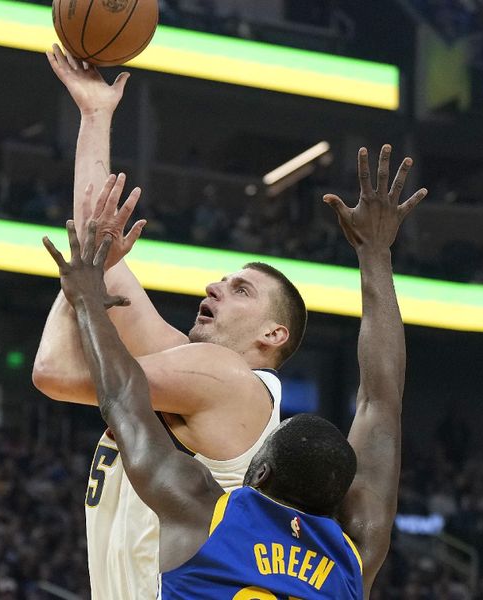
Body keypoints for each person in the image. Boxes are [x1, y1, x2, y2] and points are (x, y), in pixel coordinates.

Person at [42, 145, 427, 598]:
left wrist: (83, 299)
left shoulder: (208, 519)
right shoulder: (348, 560)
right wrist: (377, 253)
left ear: (256, 475)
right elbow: (381, 402)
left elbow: (115, 395)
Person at [33, 45, 306, 598]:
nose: (213, 287)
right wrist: (95, 116)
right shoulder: (195, 371)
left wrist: (80, 286)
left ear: (272, 335)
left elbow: (55, 373)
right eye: (222, 281)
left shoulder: (225, 379)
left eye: (240, 290)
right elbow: (99, 239)